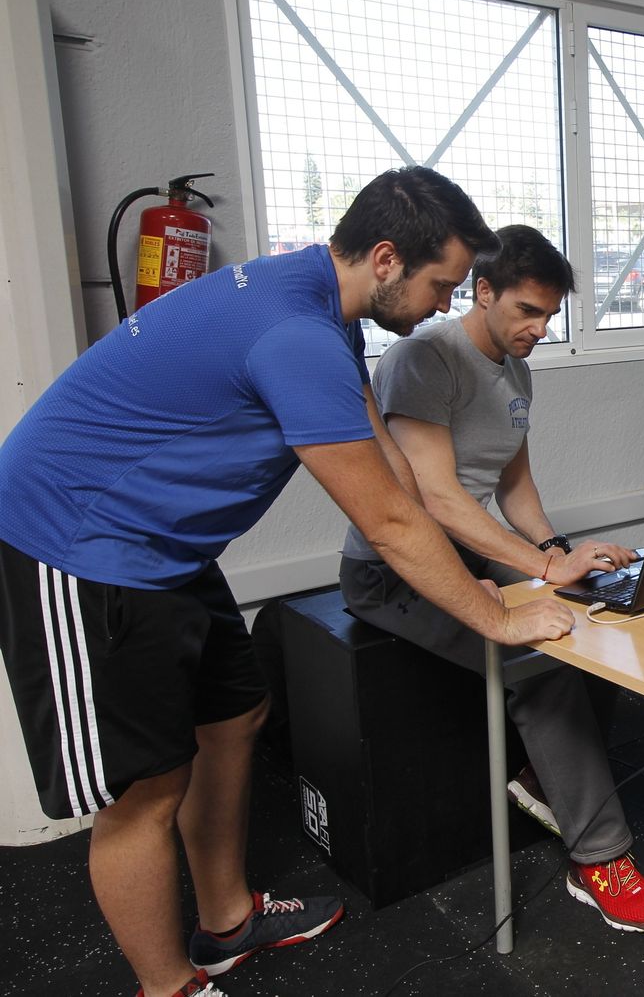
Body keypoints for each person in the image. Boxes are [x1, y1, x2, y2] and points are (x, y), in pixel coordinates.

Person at [0, 167, 577, 997]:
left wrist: (492, 565)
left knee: (234, 713)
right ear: (386, 258)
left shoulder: (323, 310)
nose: (448, 305)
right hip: (78, 540)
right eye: (443, 285)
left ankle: (226, 921)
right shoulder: (295, 334)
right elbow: (384, 521)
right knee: (144, 788)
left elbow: (394, 473)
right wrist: (496, 617)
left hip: (166, 549)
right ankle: (170, 986)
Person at [337, 224, 644, 933]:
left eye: (550, 315)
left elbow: (510, 481)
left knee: (593, 616)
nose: (539, 328)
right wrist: (541, 568)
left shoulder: (517, 370)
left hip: (466, 549)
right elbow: (437, 497)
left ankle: (535, 776)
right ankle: (601, 857)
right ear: (482, 291)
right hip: (392, 568)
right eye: (527, 310)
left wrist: (561, 555)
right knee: (536, 662)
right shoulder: (425, 357)